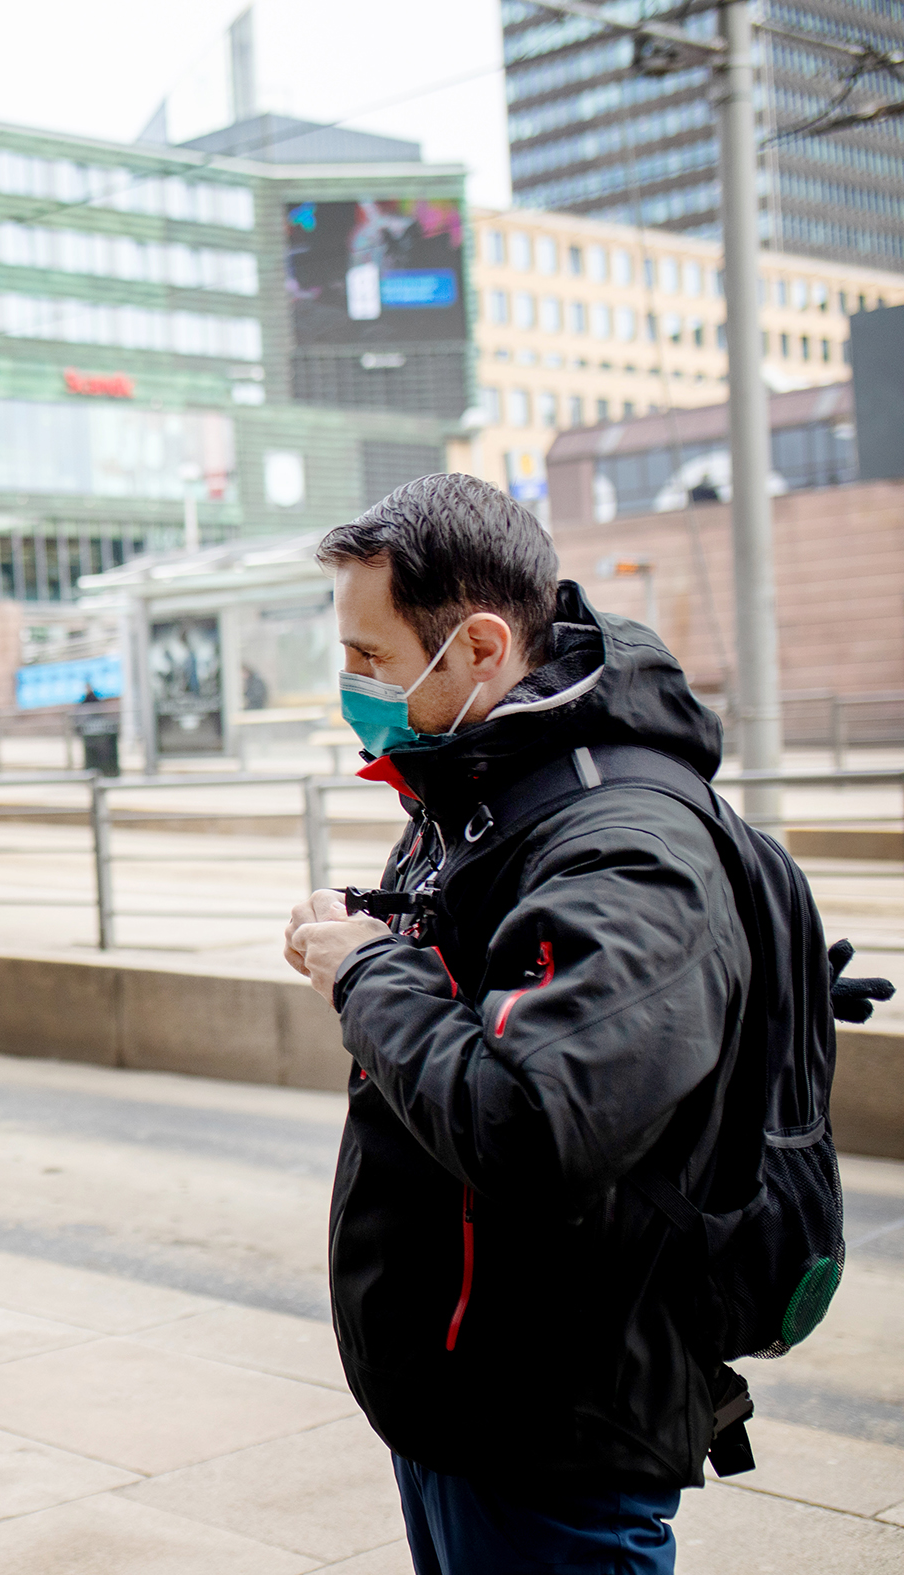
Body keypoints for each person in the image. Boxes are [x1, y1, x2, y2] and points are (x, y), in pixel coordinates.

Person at [283, 474, 750, 1575]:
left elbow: (535, 1119)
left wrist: (365, 978)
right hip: (462, 1397)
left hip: (553, 1429)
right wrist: (387, 937)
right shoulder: (480, 786)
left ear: (481, 646)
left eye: (368, 660)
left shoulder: (623, 844)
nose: (349, 687)